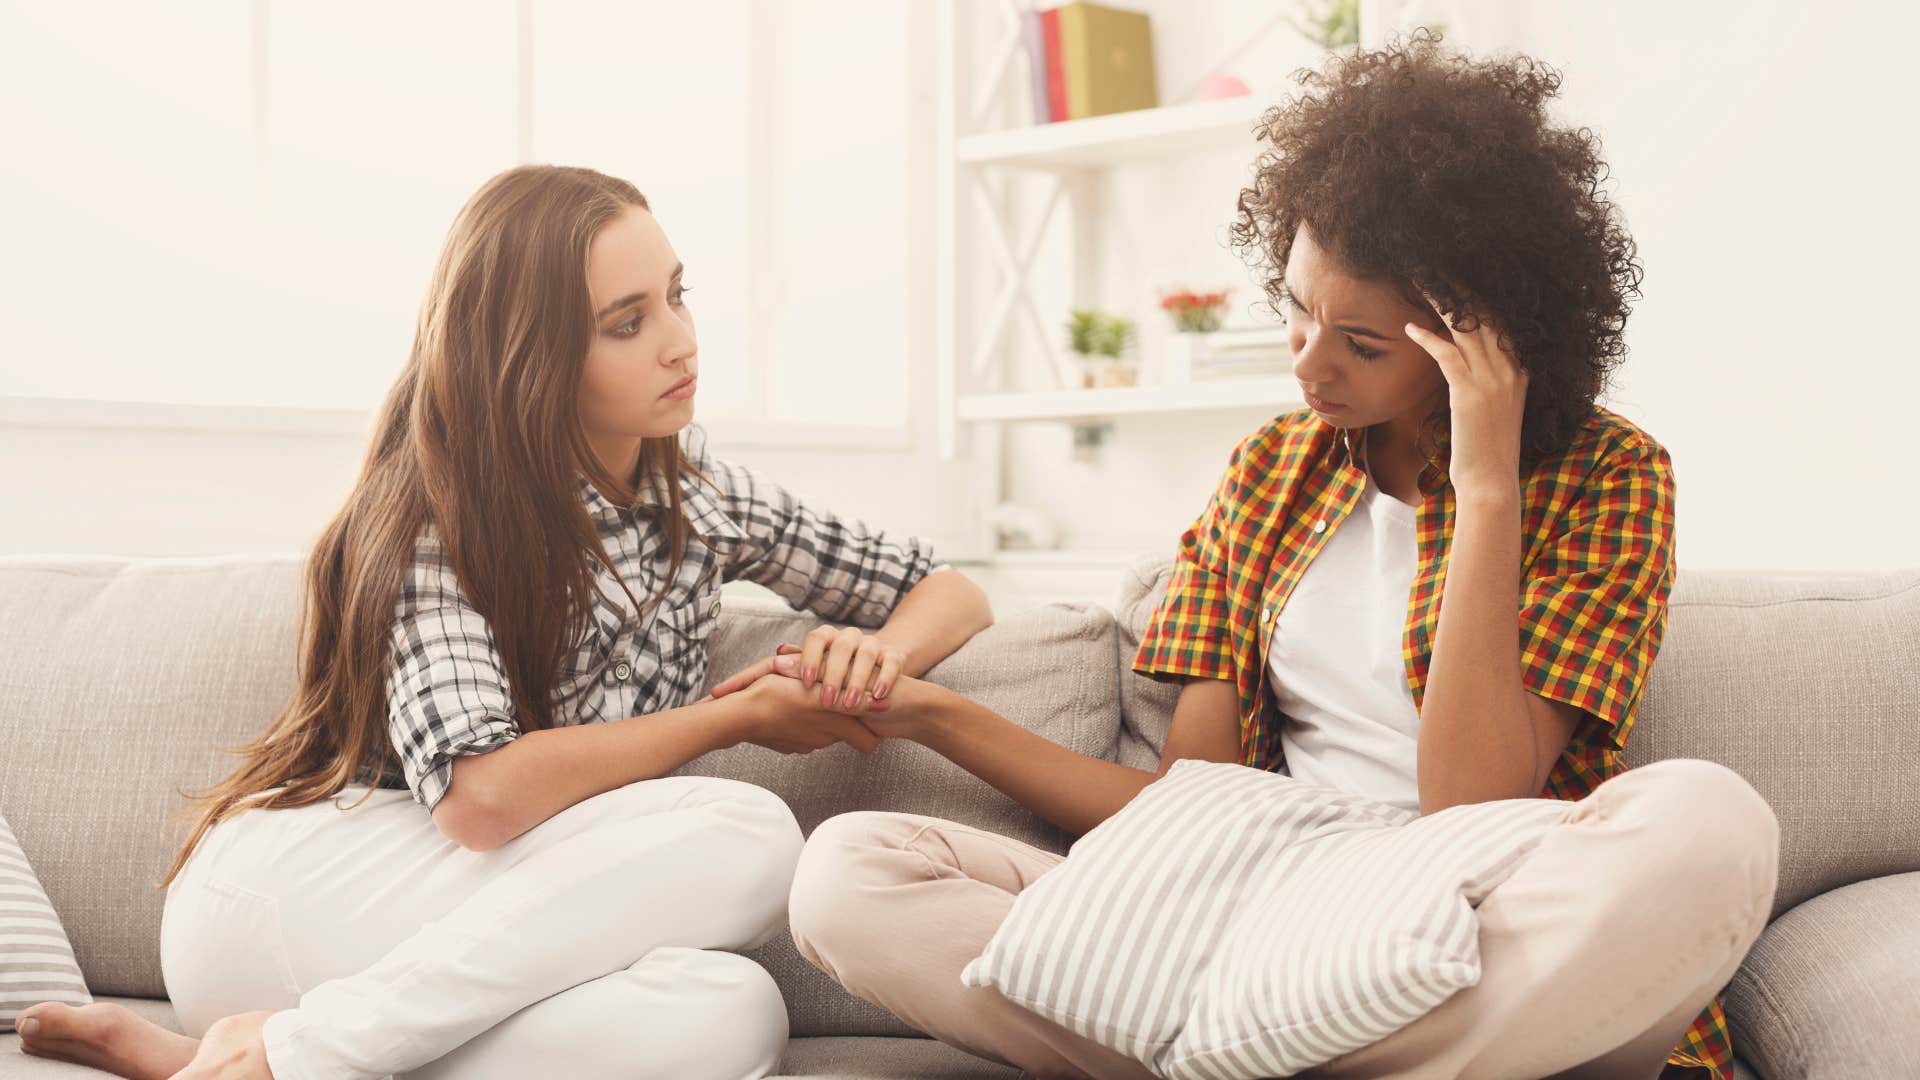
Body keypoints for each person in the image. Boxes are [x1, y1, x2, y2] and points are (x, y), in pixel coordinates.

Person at [781, 34, 1776, 1080]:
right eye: (1298, 310)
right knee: (849, 873)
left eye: (1362, 343)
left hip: (1477, 891)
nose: (1307, 364)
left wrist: (1488, 486)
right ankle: (1313, 1053)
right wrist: (932, 714)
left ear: (1478, 336)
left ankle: (1234, 1056)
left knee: (1712, 823)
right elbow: (1189, 804)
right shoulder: (1270, 470)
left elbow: (1471, 801)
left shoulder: (1609, 476)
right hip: (1265, 896)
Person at [14, 164, 992, 1080]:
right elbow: (481, 802)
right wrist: (736, 718)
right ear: (531, 353)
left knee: (730, 1014)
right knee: (749, 830)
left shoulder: (700, 496)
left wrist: (879, 653)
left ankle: (250, 1058)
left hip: (444, 934)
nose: (679, 340)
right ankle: (294, 1053)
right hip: (296, 890)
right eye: (626, 321)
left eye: (678, 296)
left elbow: (949, 589)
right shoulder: (437, 518)